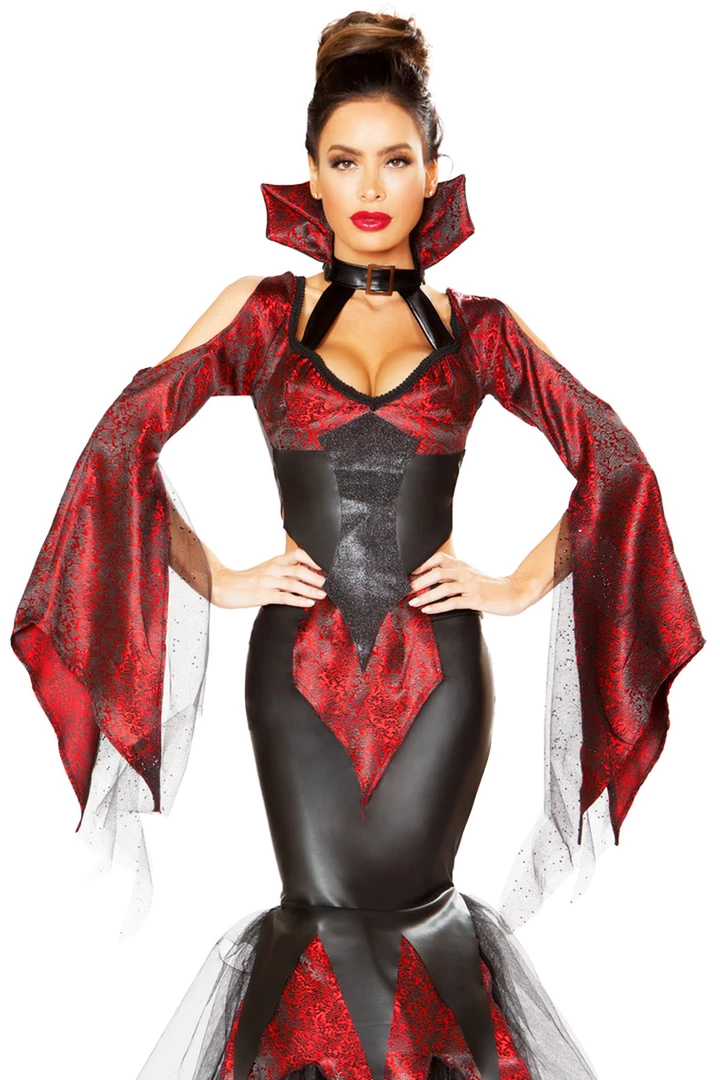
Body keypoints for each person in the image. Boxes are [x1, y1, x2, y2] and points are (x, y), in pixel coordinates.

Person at [10, 10, 705, 1080]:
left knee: (422, 920)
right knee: (320, 919)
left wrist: (512, 586)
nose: (370, 186)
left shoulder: (479, 329)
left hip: (440, 678)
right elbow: (119, 446)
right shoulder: (262, 317)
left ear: (433, 178)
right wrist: (223, 577)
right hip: (296, 677)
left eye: (396, 159)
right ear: (312, 176)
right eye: (345, 161)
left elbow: (617, 465)